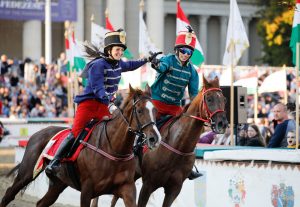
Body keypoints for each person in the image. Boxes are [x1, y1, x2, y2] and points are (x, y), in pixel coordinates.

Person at [45, 29, 156, 175]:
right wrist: (109, 104)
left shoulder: (118, 64)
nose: (120, 53)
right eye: (117, 50)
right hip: (89, 105)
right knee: (75, 133)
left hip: (104, 105)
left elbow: (130, 65)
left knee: (120, 130)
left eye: (121, 50)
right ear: (109, 50)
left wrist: (146, 59)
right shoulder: (97, 65)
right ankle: (55, 162)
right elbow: (98, 88)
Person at [149, 26, 201, 180]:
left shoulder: (192, 71)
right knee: (145, 129)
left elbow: (193, 95)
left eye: (189, 52)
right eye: (183, 51)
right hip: (156, 104)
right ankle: (134, 151)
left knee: (186, 133)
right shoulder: (168, 60)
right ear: (177, 50)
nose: (186, 54)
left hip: (175, 108)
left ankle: (189, 165)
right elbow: (161, 67)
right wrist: (156, 64)